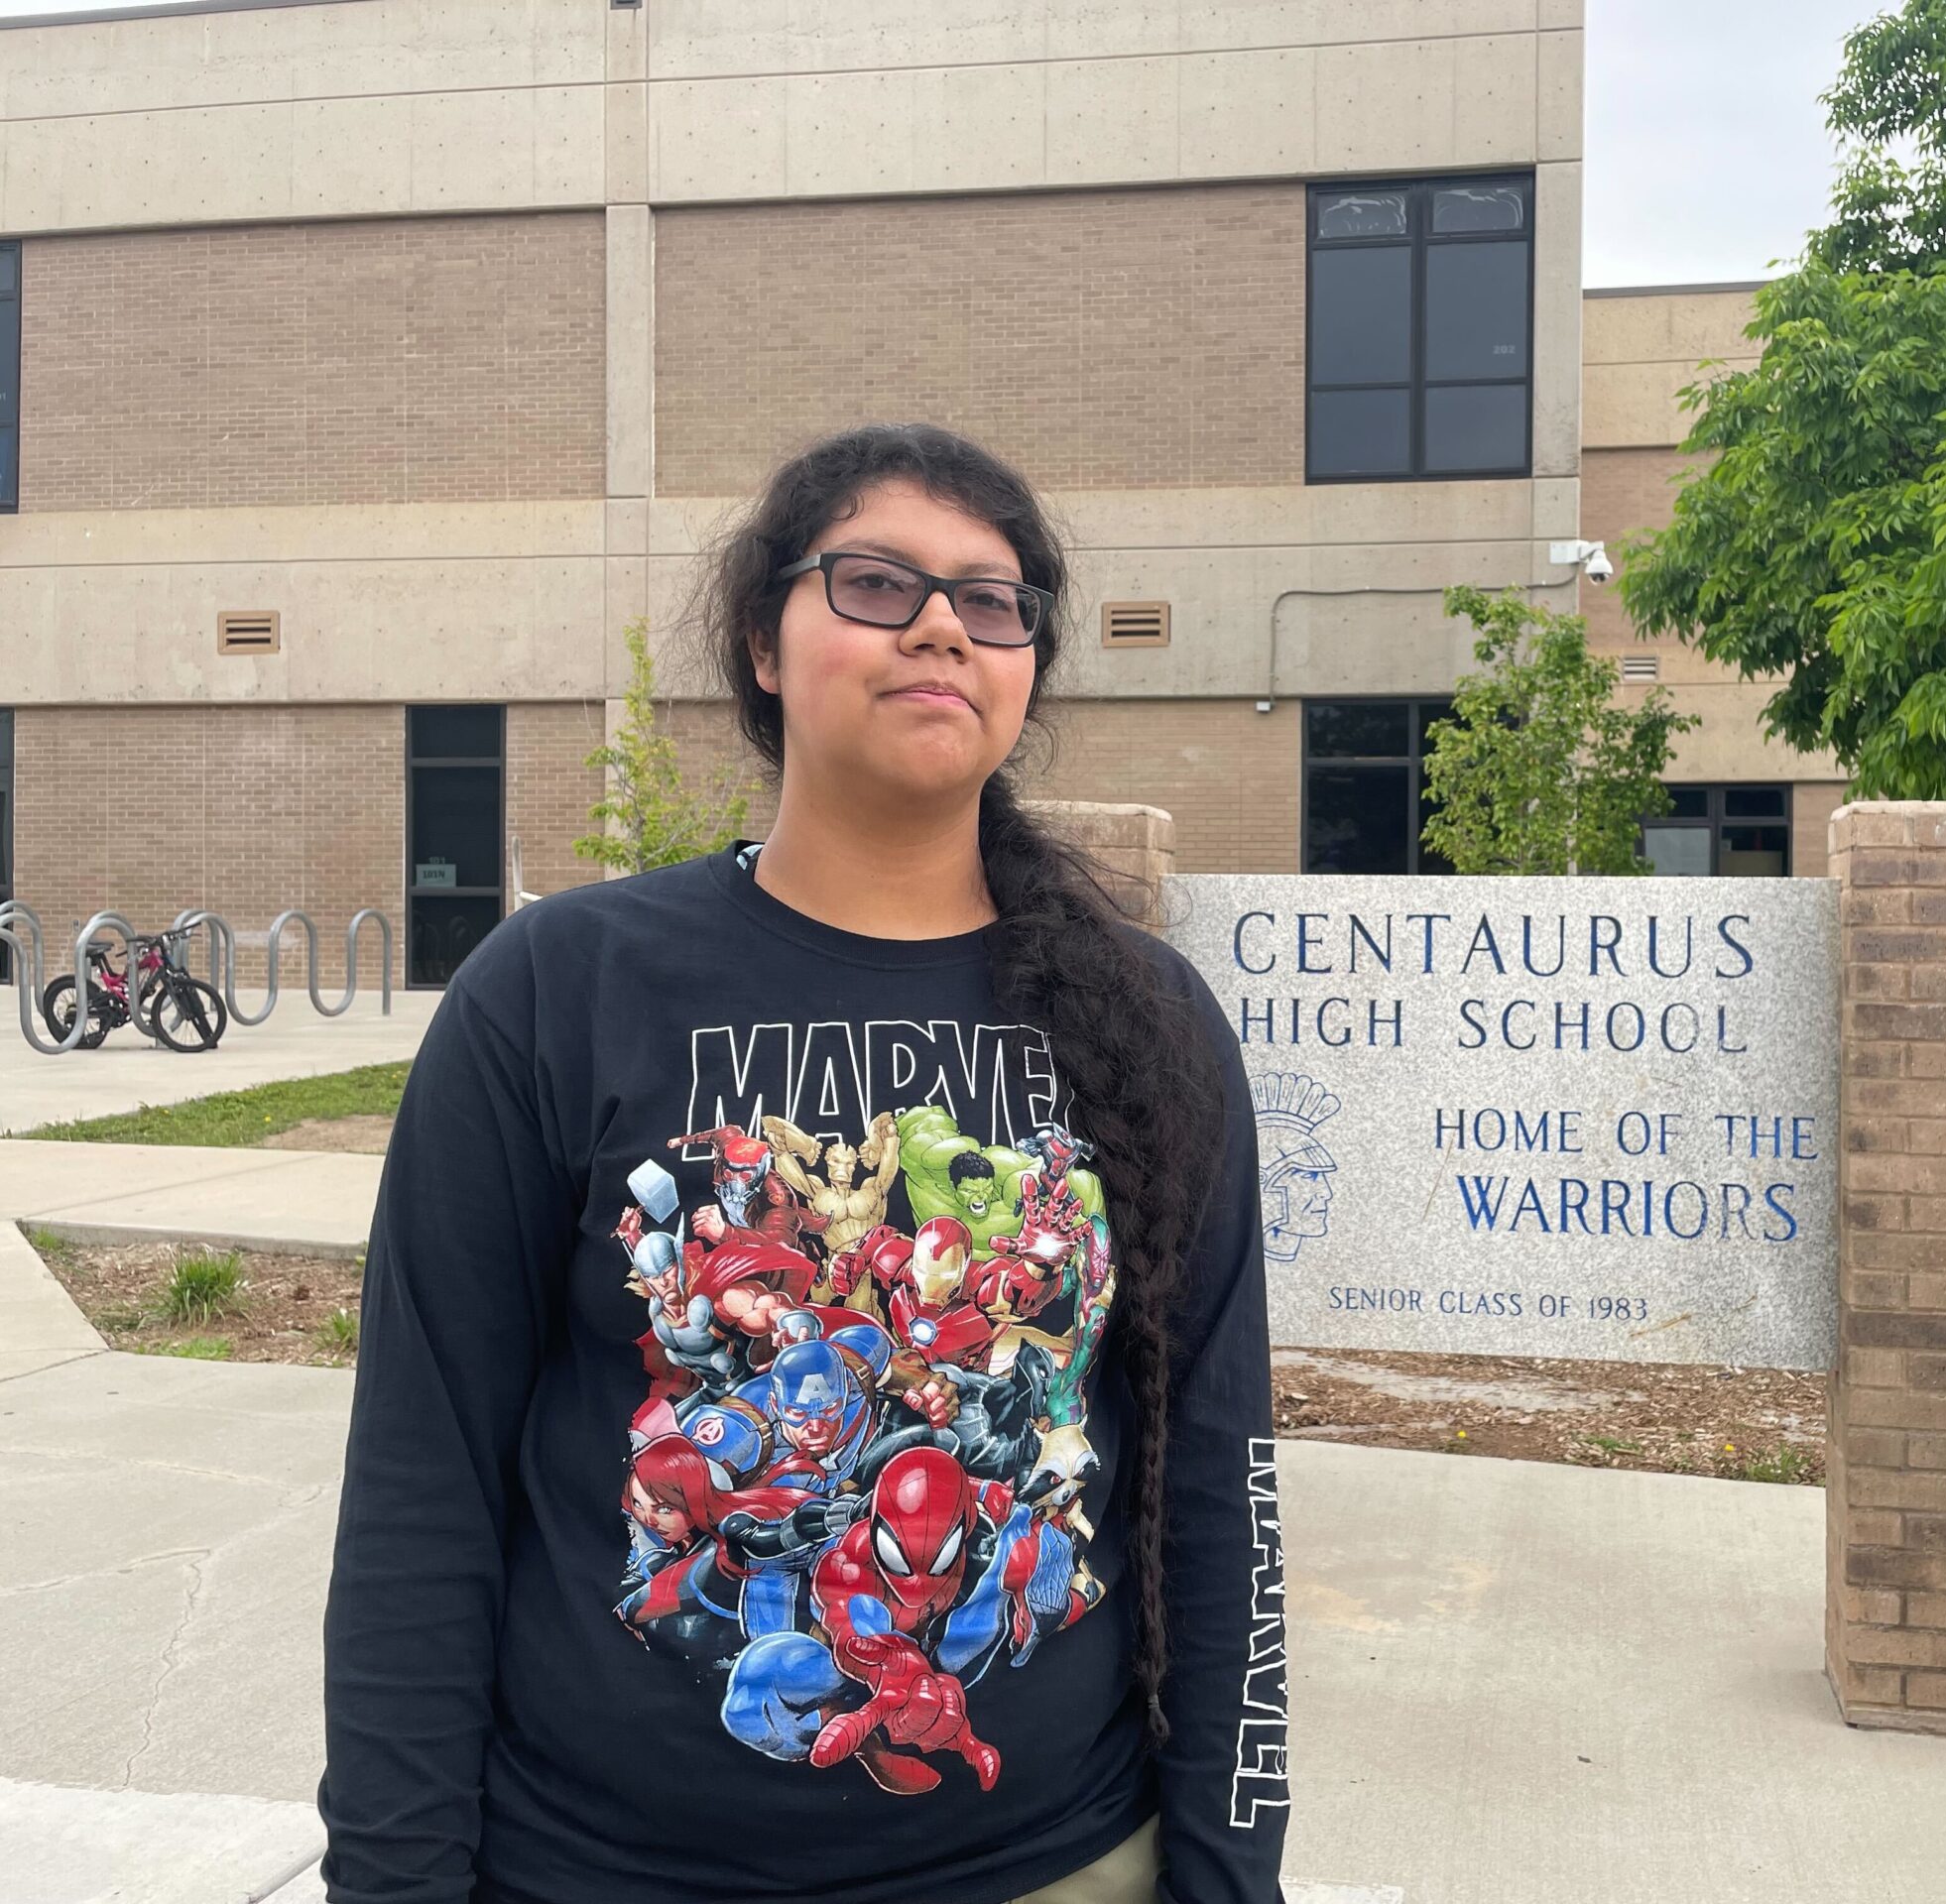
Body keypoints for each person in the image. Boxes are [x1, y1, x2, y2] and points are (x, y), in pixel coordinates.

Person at [317, 423, 1290, 1904]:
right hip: (594, 1869)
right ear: (763, 645)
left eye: (992, 597)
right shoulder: (553, 993)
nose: (944, 626)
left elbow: (1217, 1480)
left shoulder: (1148, 1023)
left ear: (1027, 666)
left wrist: (1230, 1876)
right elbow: (420, 1484)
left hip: (1052, 1866)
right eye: (878, 583)